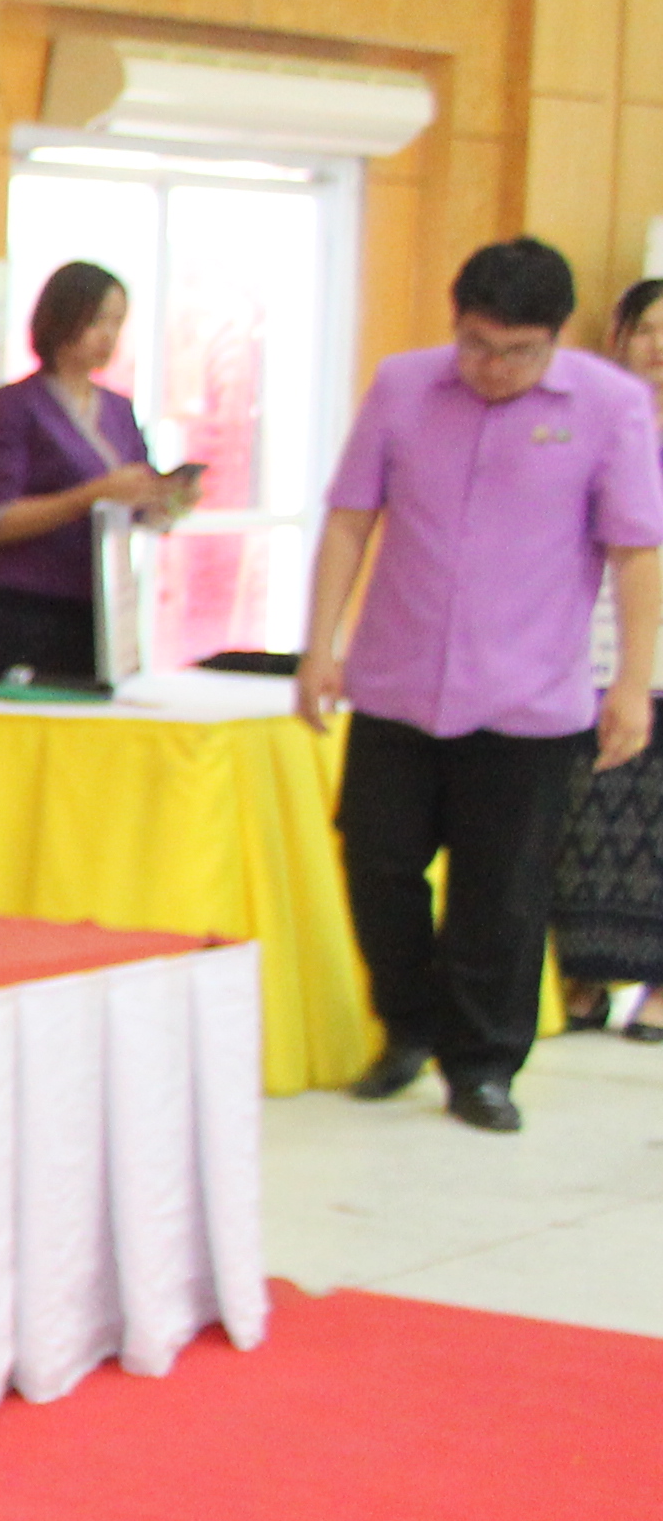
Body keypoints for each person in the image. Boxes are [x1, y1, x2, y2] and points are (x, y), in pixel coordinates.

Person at [297, 235, 663, 1135]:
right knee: (377, 863)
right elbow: (349, 521)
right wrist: (318, 646)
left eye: (517, 351)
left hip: (528, 700)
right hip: (395, 683)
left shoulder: (611, 406)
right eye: (475, 344)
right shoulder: (403, 386)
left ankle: (484, 1065)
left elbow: (636, 551)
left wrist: (631, 686)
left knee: (500, 894)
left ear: (558, 337)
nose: (491, 368)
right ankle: (410, 1029)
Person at [0, 262, 189, 685]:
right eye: (97, 321)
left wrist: (167, 499)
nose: (109, 336)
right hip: (24, 602)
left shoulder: (119, 410)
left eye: (117, 323)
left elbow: (139, 499)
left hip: (101, 602)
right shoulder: (11, 406)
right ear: (61, 319)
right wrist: (91, 494)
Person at [562, 275, 663, 1036]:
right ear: (617, 339)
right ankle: (582, 976)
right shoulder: (589, 426)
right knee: (585, 823)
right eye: (647, 330)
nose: (659, 346)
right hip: (586, 648)